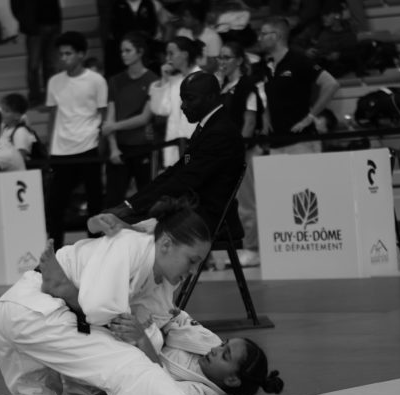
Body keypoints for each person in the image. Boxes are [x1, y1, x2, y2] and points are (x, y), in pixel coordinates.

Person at [0, 197, 239, 395]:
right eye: (192, 260)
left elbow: (145, 314)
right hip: (37, 309)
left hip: (17, 312)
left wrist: (137, 334)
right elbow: (98, 309)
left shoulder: (156, 274)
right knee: (126, 362)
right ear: (166, 244)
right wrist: (70, 291)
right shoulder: (130, 247)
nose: (193, 271)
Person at [37, 239, 284, 395]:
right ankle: (89, 272)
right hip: (135, 337)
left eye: (225, 355)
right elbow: (178, 321)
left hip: (125, 367)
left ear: (231, 379)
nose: (217, 349)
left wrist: (143, 339)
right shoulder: (209, 343)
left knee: (150, 334)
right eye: (224, 345)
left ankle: (70, 292)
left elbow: (159, 391)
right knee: (154, 306)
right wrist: (163, 312)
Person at [104, 71, 246, 248]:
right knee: (121, 222)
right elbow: (176, 172)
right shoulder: (209, 126)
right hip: (193, 209)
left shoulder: (220, 132)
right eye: (182, 99)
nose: (183, 106)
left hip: (207, 217)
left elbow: (185, 181)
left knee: (123, 231)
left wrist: (136, 208)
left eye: (190, 99)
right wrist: (130, 204)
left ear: (210, 97)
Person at [44, 31, 108, 246]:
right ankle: (55, 252)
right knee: (55, 206)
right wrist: (49, 147)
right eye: (61, 54)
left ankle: (96, 249)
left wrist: (102, 145)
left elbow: (103, 113)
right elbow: (52, 115)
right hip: (61, 150)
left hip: (89, 146)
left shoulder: (96, 80)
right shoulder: (54, 81)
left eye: (68, 53)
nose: (63, 58)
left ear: (81, 54)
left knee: (94, 203)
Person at [258, 17, 340, 155]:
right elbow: (269, 97)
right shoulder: (267, 65)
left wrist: (310, 117)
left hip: (301, 141)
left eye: (263, 34)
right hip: (276, 142)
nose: (259, 38)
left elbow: (331, 84)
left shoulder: (298, 60)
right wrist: (266, 119)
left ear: (276, 36)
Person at [217, 41, 264, 268]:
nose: (221, 62)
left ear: (238, 61)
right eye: (220, 57)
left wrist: (238, 150)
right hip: (226, 154)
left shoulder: (247, 86)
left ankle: (253, 250)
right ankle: (242, 247)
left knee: (247, 204)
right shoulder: (223, 87)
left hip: (243, 154)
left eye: (226, 57)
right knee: (234, 205)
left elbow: (250, 122)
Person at [103, 32, 157, 208]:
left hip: (143, 146)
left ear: (140, 52)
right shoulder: (115, 81)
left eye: (128, 50)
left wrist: (114, 126)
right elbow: (110, 115)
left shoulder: (153, 80)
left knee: (146, 198)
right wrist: (113, 148)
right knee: (113, 199)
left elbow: (144, 117)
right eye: (121, 51)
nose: (123, 54)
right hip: (119, 148)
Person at [149, 36, 202, 169]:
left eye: (171, 53)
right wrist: (164, 79)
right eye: (167, 54)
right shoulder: (174, 81)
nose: (168, 58)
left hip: (196, 145)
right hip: (175, 145)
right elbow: (160, 109)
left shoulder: (202, 78)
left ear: (185, 54)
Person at [9, 0, 62, 105]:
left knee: (51, 65)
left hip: (53, 23)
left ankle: (50, 96)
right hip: (36, 27)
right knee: (34, 65)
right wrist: (27, 24)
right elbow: (16, 6)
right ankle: (35, 97)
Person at [176, 1, 222, 72]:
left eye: (187, 16)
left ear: (196, 20)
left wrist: (191, 72)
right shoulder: (181, 32)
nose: (183, 18)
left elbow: (213, 65)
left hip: (204, 75)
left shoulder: (213, 37)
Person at [0, 93, 43, 165]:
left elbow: (20, 159)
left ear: (17, 115)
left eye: (6, 111)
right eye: (2, 109)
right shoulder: (5, 129)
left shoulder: (20, 132)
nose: (2, 113)